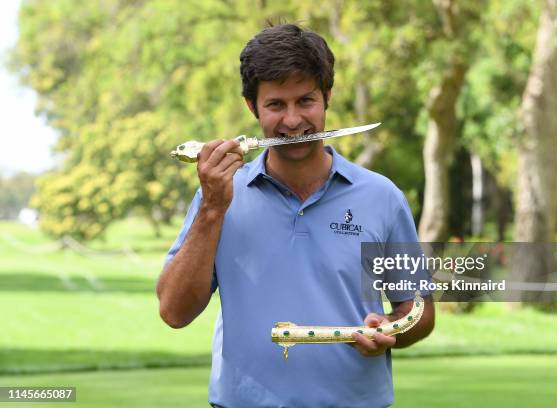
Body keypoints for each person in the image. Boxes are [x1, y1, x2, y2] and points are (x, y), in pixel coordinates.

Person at [156, 23, 435, 407]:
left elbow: (418, 309)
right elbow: (173, 311)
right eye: (275, 105)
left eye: (305, 101)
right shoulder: (217, 196)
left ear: (328, 98)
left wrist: (394, 330)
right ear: (252, 107)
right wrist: (212, 208)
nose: (292, 121)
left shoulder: (382, 197)